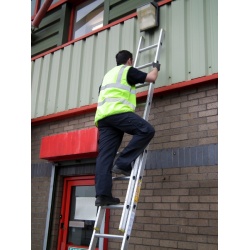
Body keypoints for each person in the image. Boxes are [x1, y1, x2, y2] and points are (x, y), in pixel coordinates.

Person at [94, 50, 160, 206]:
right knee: (146, 130)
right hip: (118, 113)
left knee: (105, 157)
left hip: (103, 118)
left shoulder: (107, 76)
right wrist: (156, 67)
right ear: (129, 60)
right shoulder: (127, 70)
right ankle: (123, 163)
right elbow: (151, 78)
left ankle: (102, 196)